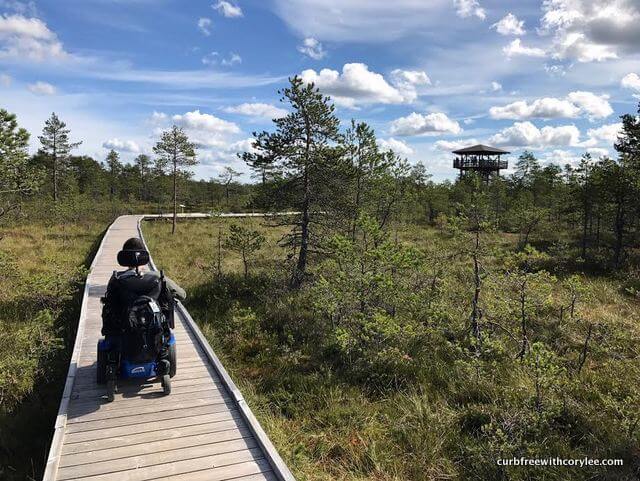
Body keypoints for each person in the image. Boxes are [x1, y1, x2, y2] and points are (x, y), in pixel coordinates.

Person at [101, 237, 186, 336]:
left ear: (125, 257)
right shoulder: (158, 277)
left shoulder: (117, 279)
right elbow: (183, 295)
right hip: (153, 330)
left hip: (124, 331)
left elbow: (110, 301)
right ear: (144, 255)